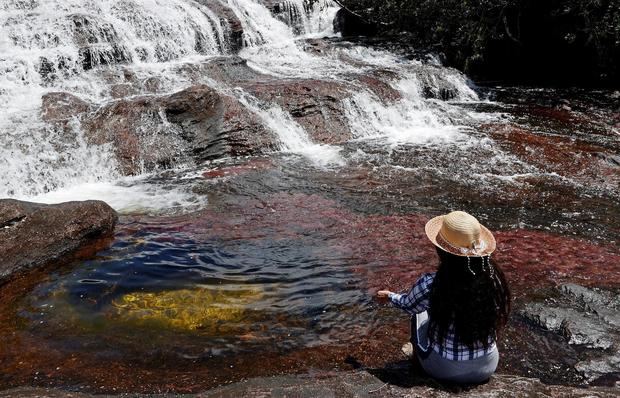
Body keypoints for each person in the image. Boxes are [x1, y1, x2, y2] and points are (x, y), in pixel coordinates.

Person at [377, 211, 511, 384]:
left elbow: (408, 304)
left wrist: (390, 296)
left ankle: (417, 365)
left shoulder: (432, 283)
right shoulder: (494, 279)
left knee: (418, 314)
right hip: (487, 366)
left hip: (445, 370)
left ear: (441, 250)